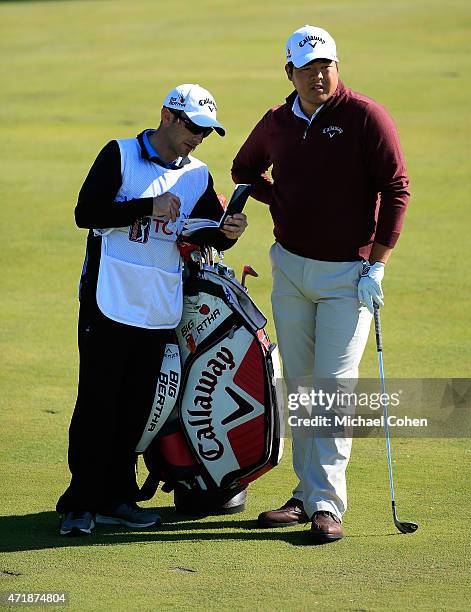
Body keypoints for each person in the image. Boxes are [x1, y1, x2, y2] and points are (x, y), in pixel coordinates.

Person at [231, 25, 410, 543]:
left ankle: (327, 503)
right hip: (289, 268)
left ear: (337, 66)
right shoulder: (278, 122)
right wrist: (280, 199)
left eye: (327, 65)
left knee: (332, 386)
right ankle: (306, 493)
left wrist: (377, 263)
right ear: (290, 72)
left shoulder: (364, 117)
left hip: (347, 277)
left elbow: (397, 189)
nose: (319, 75)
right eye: (308, 68)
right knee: (302, 385)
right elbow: (244, 169)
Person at [57, 84, 247, 536]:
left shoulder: (199, 174)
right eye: (193, 127)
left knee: (136, 409)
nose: (198, 138)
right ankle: (80, 502)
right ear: (167, 116)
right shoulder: (119, 155)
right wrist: (147, 207)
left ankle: (117, 498)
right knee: (97, 406)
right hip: (109, 300)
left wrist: (228, 234)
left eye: (206, 132)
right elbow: (87, 213)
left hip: (159, 307)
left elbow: (203, 231)